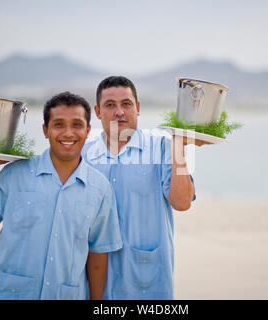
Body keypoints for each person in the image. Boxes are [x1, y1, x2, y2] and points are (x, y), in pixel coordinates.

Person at [0, 91, 122, 300]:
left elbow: (98, 254)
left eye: (76, 125)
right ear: (45, 130)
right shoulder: (15, 175)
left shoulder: (100, 188)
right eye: (58, 124)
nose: (68, 133)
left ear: (87, 131)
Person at [82, 76, 199, 299]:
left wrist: (179, 145)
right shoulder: (84, 156)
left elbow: (182, 202)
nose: (119, 112)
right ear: (97, 112)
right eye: (110, 105)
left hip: (148, 286)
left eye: (126, 104)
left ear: (137, 108)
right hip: (95, 286)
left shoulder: (163, 147)